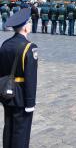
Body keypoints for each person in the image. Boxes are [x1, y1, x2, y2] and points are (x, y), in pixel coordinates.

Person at [0, 8, 39, 148]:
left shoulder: (5, 45)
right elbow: (31, 78)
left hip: (6, 94)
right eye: (28, 23)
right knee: (21, 133)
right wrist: (30, 103)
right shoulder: (29, 48)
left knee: (9, 129)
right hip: (22, 96)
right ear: (25, 27)